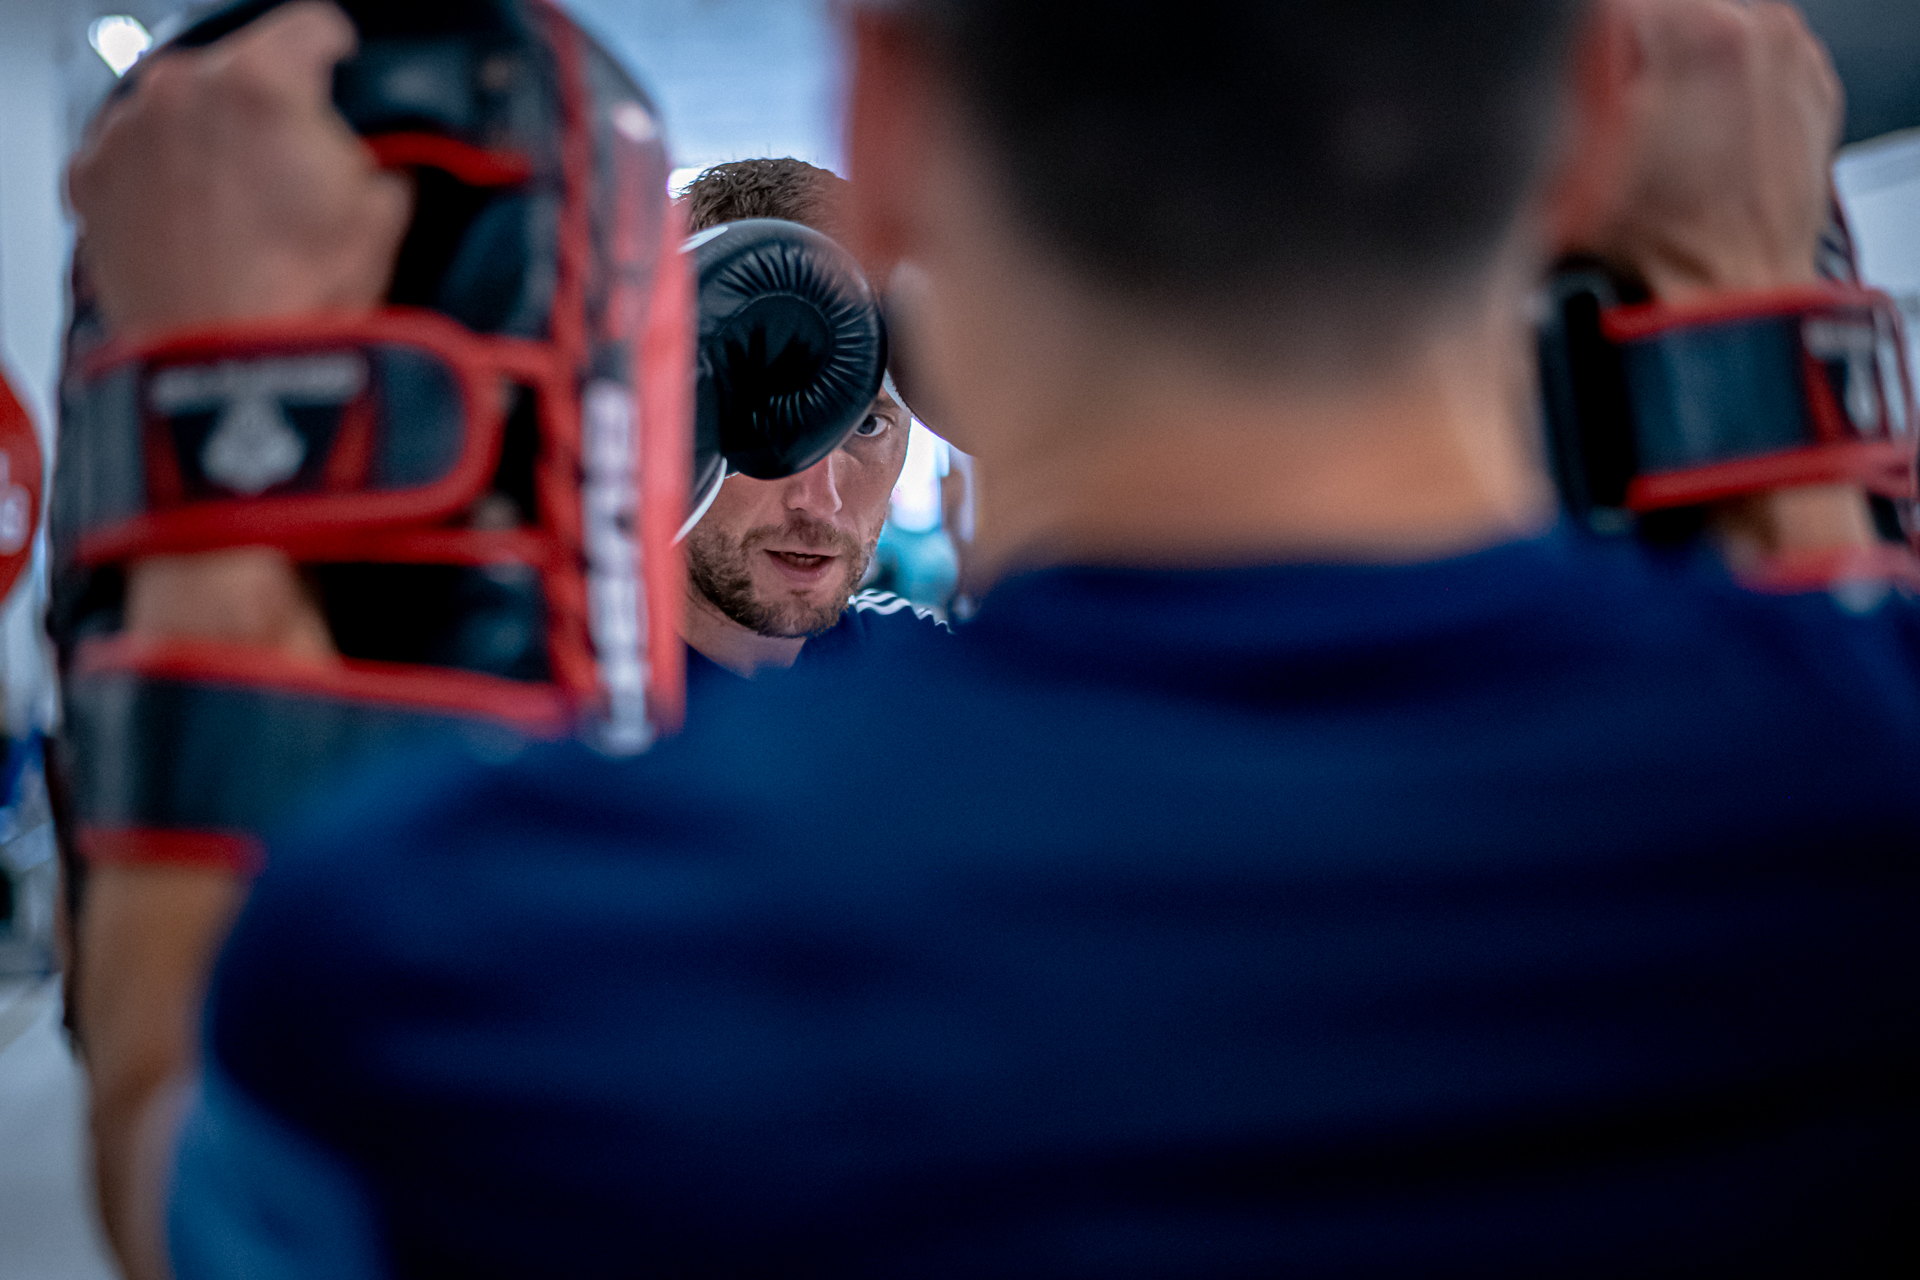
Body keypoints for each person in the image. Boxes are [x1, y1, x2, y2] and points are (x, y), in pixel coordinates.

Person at [68, 0, 1917, 1274]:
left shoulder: (521, 945)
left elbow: (186, 1146)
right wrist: (1746, 318)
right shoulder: (1853, 807)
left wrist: (244, 417)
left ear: (883, 123)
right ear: (1586, 119)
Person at [677, 157, 949, 681]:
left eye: (867, 426)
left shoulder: (923, 679)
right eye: (771, 418)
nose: (821, 499)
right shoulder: (537, 686)